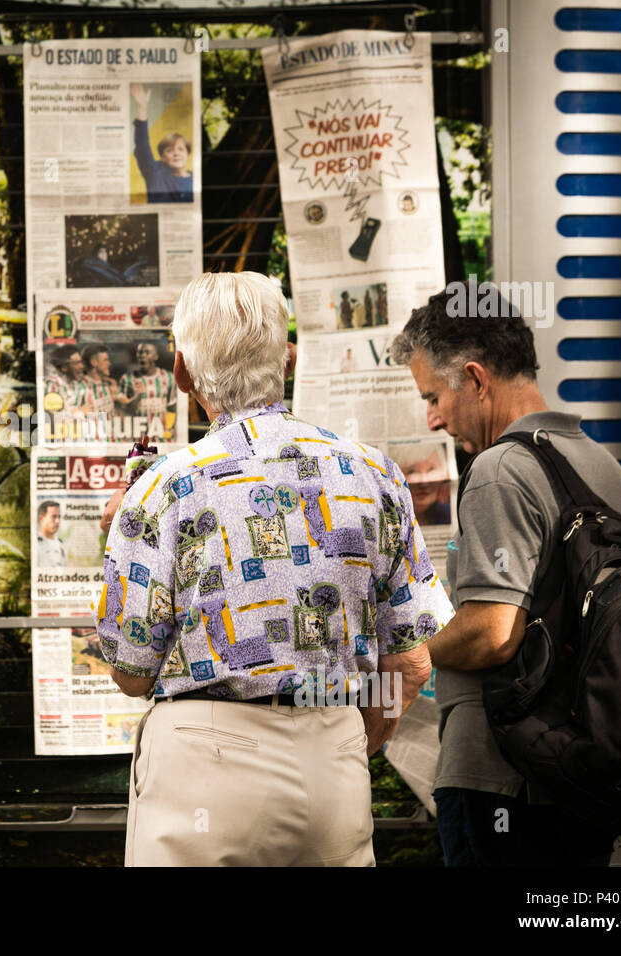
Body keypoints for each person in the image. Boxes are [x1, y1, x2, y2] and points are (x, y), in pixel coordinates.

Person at [97, 271, 450, 866]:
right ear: (288, 360)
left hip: (203, 770)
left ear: (181, 372)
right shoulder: (373, 474)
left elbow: (131, 670)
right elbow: (413, 658)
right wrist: (345, 741)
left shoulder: (162, 489)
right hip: (332, 761)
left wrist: (118, 537)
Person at [391, 285, 621, 867]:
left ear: (476, 379)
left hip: (498, 778)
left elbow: (494, 630)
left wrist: (411, 652)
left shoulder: (501, 469)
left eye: (434, 395)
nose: (433, 417)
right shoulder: (607, 470)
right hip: (579, 777)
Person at [129, 84, 193, 203]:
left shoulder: (195, 179)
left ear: (188, 154)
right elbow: (142, 146)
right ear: (163, 158)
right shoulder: (156, 172)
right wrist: (141, 107)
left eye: (180, 149)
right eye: (170, 150)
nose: (176, 153)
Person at [116, 341, 177, 439]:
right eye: (140, 352)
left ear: (155, 357)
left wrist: (169, 429)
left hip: (160, 437)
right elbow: (125, 411)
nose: (142, 355)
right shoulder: (127, 379)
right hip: (137, 438)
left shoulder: (168, 377)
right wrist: (137, 396)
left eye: (147, 352)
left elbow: (172, 407)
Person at [81, 344, 118, 441]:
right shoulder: (80, 387)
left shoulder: (108, 385)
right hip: (95, 450)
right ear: (93, 362)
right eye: (106, 360)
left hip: (114, 445)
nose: (109, 363)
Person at [36, 501, 67, 566]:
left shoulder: (61, 545)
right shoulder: (35, 543)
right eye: (54, 517)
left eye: (59, 517)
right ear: (41, 518)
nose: (57, 521)